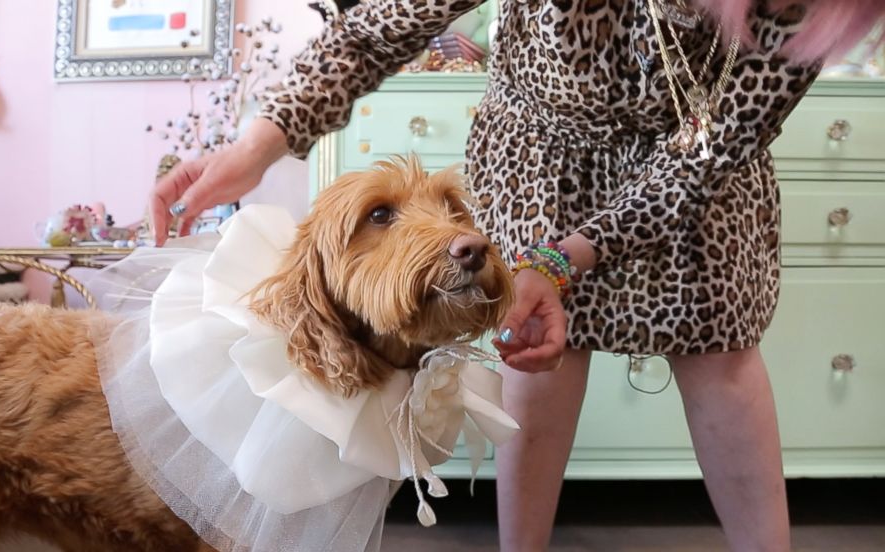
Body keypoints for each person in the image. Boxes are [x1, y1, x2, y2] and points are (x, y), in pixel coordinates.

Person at [150, 1, 885, 550]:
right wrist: (260, 141)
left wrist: (568, 258)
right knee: (536, 353)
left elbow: (703, 156)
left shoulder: (821, 8)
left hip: (695, 178)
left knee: (722, 357)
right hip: (543, 153)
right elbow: (378, 26)